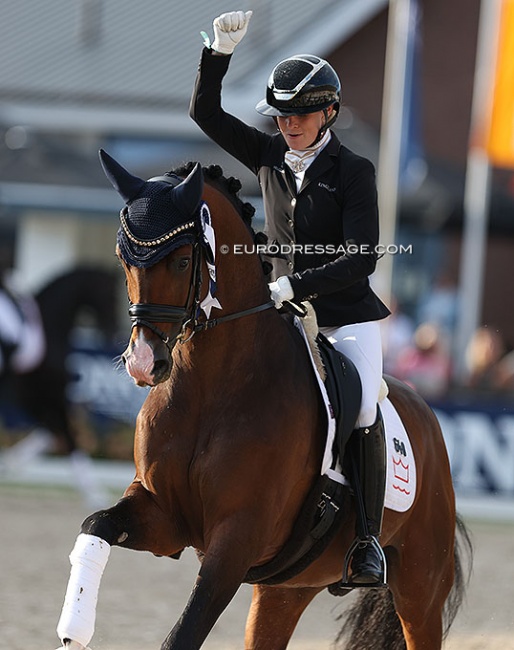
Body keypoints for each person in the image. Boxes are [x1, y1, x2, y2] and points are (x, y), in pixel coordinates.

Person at [190, 11, 391, 587]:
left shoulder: (354, 172)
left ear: (328, 112)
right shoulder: (268, 155)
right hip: (276, 315)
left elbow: (361, 257)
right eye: (280, 116)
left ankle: (367, 541)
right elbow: (204, 113)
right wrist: (218, 56)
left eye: (300, 114)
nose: (288, 125)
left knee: (362, 408)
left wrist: (294, 284)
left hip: (343, 319)